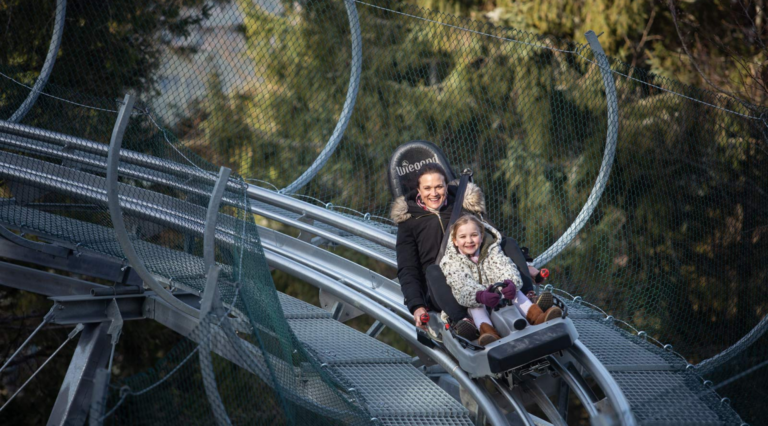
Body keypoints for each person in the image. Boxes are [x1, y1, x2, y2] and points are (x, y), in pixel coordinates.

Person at [391, 163, 486, 340]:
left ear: (446, 186)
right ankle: (464, 322)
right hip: (441, 287)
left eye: (439, 187)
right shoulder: (410, 222)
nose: (434, 194)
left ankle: (530, 299)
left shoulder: (462, 207)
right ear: (418, 190)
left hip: (474, 274)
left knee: (508, 243)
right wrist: (417, 306)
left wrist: (526, 264)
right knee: (433, 272)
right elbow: (407, 268)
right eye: (427, 188)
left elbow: (494, 239)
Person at [439, 214, 563, 346]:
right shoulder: (451, 261)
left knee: (516, 293)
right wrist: (479, 295)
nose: (469, 240)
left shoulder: (492, 250)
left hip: (497, 295)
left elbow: (505, 266)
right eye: (463, 237)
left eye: (474, 235)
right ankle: (488, 333)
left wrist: (511, 283)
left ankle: (537, 316)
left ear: (481, 236)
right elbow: (461, 284)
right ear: (455, 241)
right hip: (475, 300)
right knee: (476, 307)